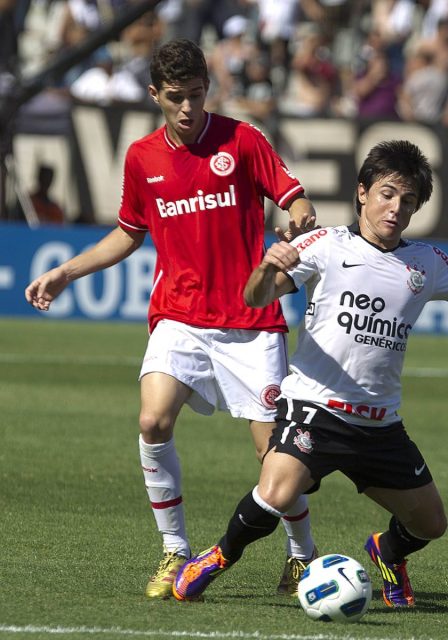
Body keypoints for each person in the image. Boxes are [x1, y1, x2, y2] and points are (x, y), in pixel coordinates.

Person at [170, 139, 448, 606]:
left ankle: (387, 553)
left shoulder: (425, 263)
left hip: (379, 425)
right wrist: (268, 267)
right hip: (315, 409)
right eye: (388, 194)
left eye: (408, 201)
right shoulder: (325, 245)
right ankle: (218, 557)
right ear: (363, 192)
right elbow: (255, 298)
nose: (396, 208)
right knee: (277, 491)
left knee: (431, 524)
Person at [24, 38, 322, 600]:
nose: (188, 108)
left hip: (248, 319)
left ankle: (302, 557)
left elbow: (294, 197)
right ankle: (176, 552)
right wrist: (67, 272)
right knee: (152, 422)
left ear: (208, 88)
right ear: (155, 95)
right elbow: (129, 232)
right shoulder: (143, 158)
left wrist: (299, 219)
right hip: (179, 316)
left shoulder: (243, 139)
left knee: (273, 456)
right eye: (176, 97)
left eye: (197, 94)